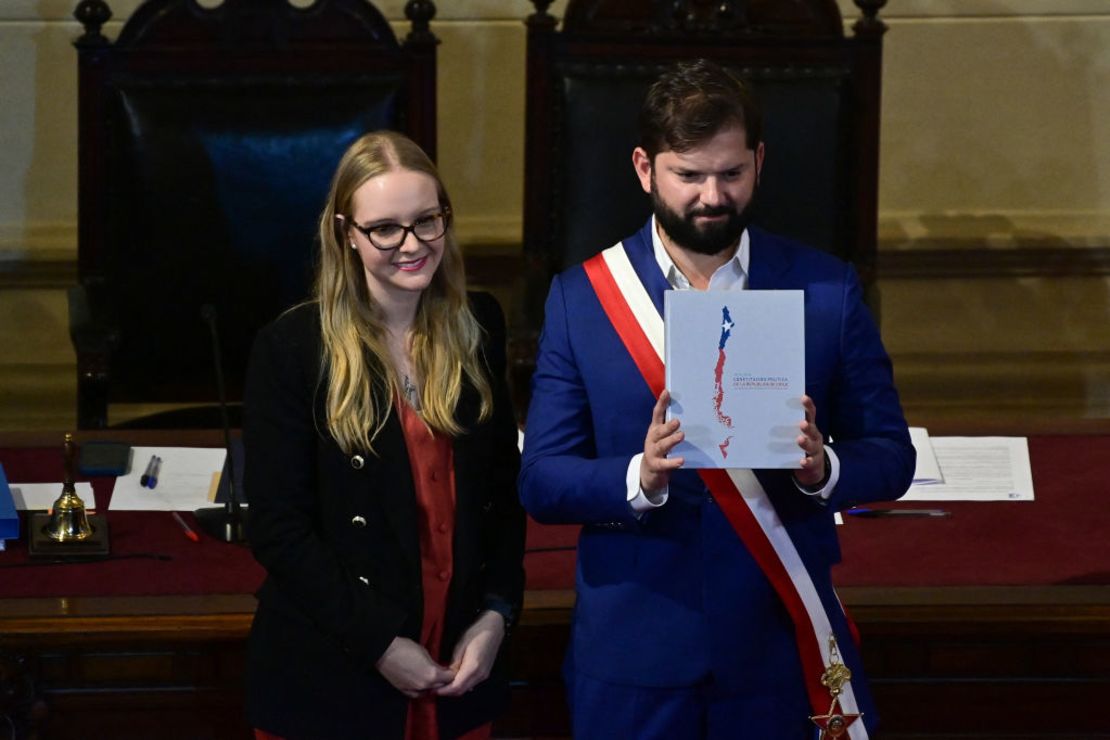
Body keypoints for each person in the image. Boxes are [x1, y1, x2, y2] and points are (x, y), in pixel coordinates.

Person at [519, 59, 915, 739]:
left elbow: (891, 456)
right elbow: (543, 480)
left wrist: (824, 469)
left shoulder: (826, 291)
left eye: (731, 174)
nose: (712, 196)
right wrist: (637, 477)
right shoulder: (581, 299)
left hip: (775, 645)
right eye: (689, 175)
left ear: (759, 163)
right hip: (635, 652)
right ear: (645, 169)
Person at [243, 130, 525, 740]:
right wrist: (378, 644)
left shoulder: (479, 324)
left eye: (427, 221)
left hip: (458, 668)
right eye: (385, 229)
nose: (412, 245)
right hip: (336, 672)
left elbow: (504, 496)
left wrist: (496, 616)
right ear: (346, 231)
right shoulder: (293, 349)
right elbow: (277, 528)